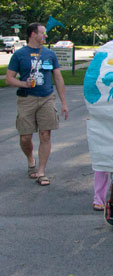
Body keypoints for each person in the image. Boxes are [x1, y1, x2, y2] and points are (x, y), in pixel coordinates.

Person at [5, 23, 69, 186]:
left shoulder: (49, 54)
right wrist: (24, 84)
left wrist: (64, 102)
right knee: (25, 137)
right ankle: (30, 159)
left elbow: (58, 78)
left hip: (47, 97)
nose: (45, 36)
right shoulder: (19, 55)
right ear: (33, 34)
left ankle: (41, 171)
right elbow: (9, 78)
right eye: (43, 33)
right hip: (27, 99)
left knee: (45, 134)